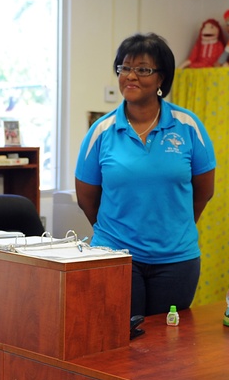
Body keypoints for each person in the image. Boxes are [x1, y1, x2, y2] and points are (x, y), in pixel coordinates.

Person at [75, 33, 216, 317]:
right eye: (124, 68)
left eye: (143, 69)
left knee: (168, 347)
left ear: (161, 78)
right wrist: (114, 233)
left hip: (176, 260)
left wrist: (175, 226)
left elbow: (204, 190)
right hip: (114, 255)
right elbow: (86, 198)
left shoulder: (188, 126)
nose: (131, 76)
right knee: (117, 346)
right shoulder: (101, 131)